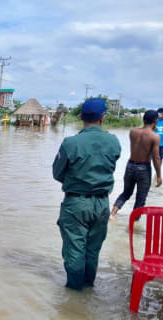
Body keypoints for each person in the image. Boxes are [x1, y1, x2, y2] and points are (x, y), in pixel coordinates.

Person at [52, 98, 121, 290]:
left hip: (76, 203)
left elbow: (57, 173)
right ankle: (88, 290)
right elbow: (111, 165)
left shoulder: (70, 143)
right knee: (92, 250)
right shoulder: (113, 142)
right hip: (102, 204)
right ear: (103, 117)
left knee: (75, 251)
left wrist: (76, 182)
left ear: (81, 116)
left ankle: (74, 297)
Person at [110, 110, 162, 219]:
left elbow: (140, 141)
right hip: (144, 168)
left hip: (130, 166)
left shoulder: (132, 131)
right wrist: (158, 175)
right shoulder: (155, 137)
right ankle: (133, 223)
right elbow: (156, 158)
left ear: (143, 119)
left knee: (126, 193)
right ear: (156, 121)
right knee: (141, 198)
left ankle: (112, 214)